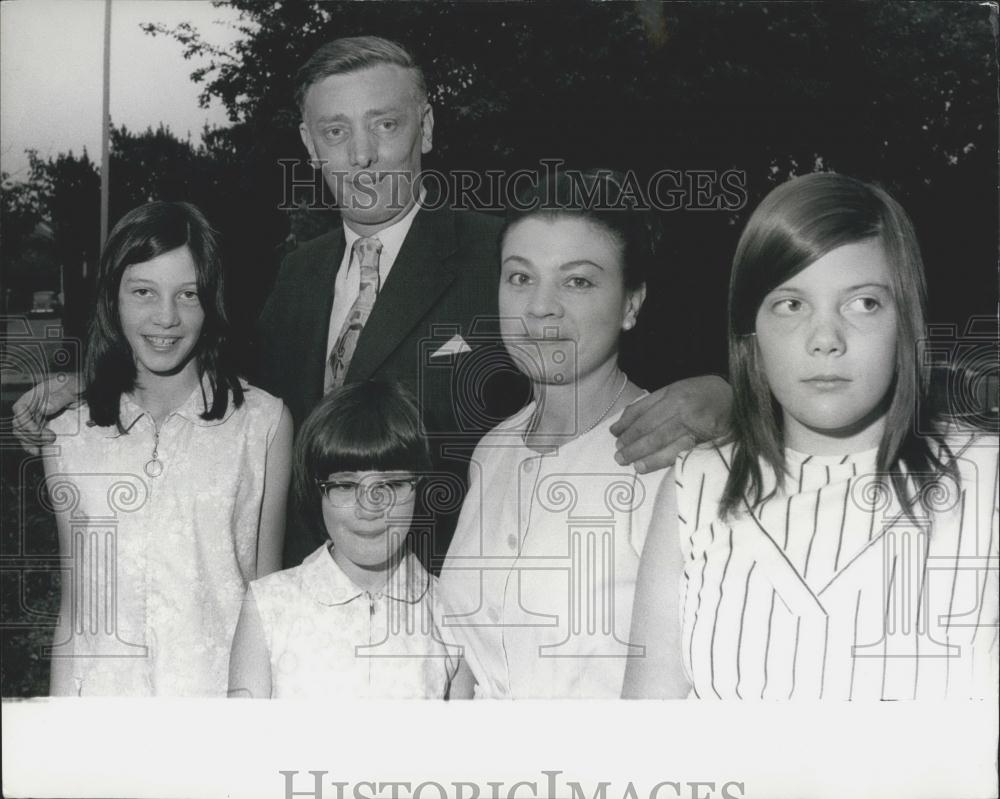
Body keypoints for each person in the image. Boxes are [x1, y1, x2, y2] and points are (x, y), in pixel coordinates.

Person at [15, 36, 732, 572]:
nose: (361, 155)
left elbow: (644, 354)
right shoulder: (298, 272)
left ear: (426, 127)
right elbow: (229, 390)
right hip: (307, 612)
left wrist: (720, 396)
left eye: (385, 124)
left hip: (447, 618)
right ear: (310, 145)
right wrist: (105, 380)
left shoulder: (506, 257)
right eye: (336, 132)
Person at [623, 172, 999, 700]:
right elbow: (645, 729)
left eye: (864, 303)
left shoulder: (986, 476)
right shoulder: (696, 486)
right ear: (751, 330)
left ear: (907, 321)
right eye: (791, 304)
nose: (825, 340)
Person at [438, 170, 674, 698]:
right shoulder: (491, 452)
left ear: (631, 304)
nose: (540, 306)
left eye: (577, 281)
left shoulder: (670, 453)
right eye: (520, 277)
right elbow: (463, 660)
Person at [41, 201, 292, 697]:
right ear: (113, 299)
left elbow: (269, 605)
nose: (166, 317)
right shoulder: (68, 436)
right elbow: (76, 611)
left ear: (212, 302)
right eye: (143, 292)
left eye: (188, 294)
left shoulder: (263, 425)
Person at [227, 380, 464, 699]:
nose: (369, 508)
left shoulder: (451, 611)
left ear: (421, 487)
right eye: (345, 486)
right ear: (318, 492)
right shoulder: (268, 606)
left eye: (391, 485)